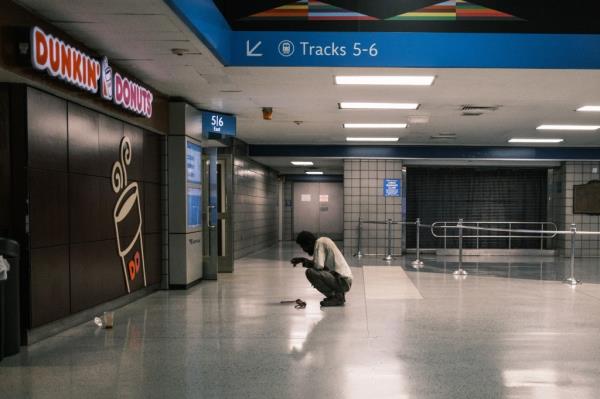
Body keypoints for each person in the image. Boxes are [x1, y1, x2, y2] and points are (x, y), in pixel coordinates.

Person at [291, 231, 352, 307]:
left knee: (310, 272)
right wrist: (302, 260)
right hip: (343, 280)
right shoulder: (322, 242)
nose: (304, 250)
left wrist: (304, 261)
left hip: (342, 281)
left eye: (303, 246)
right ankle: (336, 296)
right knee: (314, 272)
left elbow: (319, 266)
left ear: (308, 243)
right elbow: (321, 265)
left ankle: (336, 297)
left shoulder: (320, 242)